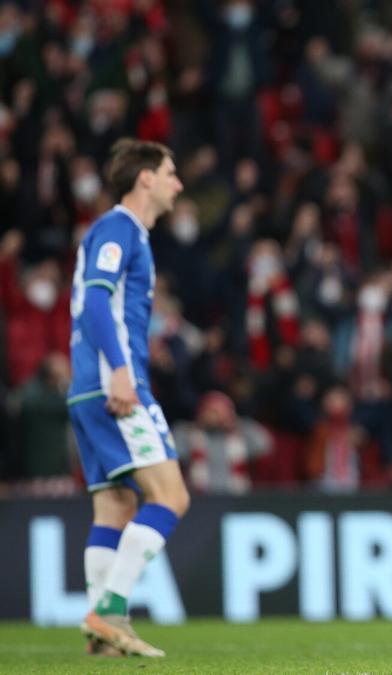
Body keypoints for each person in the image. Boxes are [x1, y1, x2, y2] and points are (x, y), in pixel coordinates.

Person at [68, 138, 189, 657]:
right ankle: (111, 608)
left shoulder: (118, 231)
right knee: (171, 496)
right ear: (145, 179)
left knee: (114, 506)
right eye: (169, 172)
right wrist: (121, 371)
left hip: (86, 388)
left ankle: (102, 636)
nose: (177, 184)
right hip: (113, 385)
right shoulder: (120, 229)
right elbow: (97, 297)